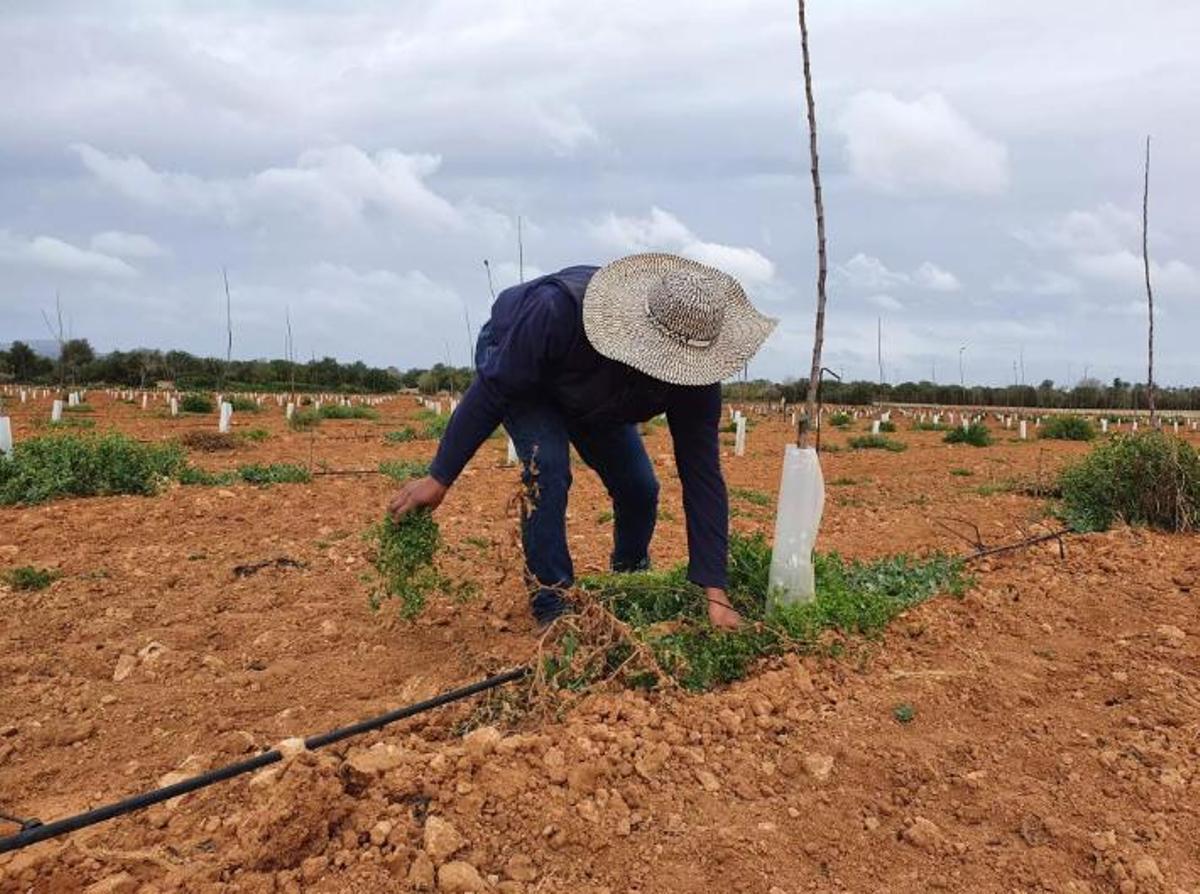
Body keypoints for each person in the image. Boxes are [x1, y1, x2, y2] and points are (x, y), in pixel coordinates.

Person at [388, 253, 776, 630]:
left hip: (599, 395)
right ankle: (552, 602)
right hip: (526, 370)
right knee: (550, 469)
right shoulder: (556, 310)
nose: (671, 374)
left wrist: (715, 593)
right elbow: (495, 388)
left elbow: (702, 474)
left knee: (639, 488)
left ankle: (628, 580)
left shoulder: (695, 373)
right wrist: (439, 477)